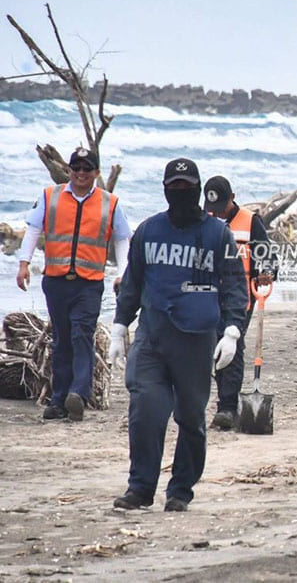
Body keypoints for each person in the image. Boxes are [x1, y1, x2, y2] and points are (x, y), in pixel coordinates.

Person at [109, 158, 248, 512]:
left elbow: (234, 284)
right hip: (153, 337)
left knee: (190, 418)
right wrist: (120, 325)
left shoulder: (218, 234)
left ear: (199, 190)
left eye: (188, 188)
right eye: (176, 188)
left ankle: (180, 490)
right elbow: (133, 280)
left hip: (196, 339)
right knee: (146, 411)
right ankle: (140, 488)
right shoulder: (149, 231)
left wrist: (232, 331)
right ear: (166, 190)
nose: (182, 193)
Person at [16, 147, 131, 421]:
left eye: (86, 169)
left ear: (96, 173)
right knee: (61, 340)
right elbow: (34, 229)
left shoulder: (109, 202)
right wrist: (23, 264)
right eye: (76, 168)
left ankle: (78, 393)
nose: (81, 173)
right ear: (69, 170)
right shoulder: (50, 196)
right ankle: (59, 400)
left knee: (82, 335)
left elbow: (122, 238)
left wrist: (122, 272)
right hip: (55, 280)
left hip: (88, 283)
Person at [202, 176, 275, 430]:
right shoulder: (201, 220)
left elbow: (267, 255)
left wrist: (266, 271)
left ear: (232, 197)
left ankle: (228, 408)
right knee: (207, 347)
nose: (217, 212)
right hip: (205, 296)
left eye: (221, 206)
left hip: (239, 296)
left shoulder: (250, 221)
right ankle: (209, 401)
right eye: (212, 208)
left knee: (233, 347)